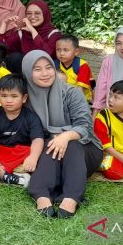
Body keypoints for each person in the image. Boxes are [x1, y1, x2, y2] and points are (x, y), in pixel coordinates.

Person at [22, 50, 103, 218]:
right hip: (47, 151)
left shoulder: (72, 93)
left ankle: (71, 197)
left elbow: (85, 126)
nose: (45, 73)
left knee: (70, 142)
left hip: (84, 151)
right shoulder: (25, 98)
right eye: (37, 69)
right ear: (28, 72)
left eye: (48, 67)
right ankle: (41, 195)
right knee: (49, 143)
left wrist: (65, 136)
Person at [0, 0, 62, 73]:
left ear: (45, 14)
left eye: (37, 13)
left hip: (46, 73)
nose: (32, 16)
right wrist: (4, 24)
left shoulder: (54, 33)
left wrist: (32, 30)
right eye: (29, 13)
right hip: (26, 74)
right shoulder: (23, 32)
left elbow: (46, 54)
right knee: (15, 57)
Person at [94, 80, 123, 180]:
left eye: (116, 97)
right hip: (113, 155)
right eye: (110, 95)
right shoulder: (103, 116)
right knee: (112, 171)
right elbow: (104, 144)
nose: (110, 100)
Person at [92, 27, 123, 115]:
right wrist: (96, 112)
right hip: (111, 112)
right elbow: (101, 89)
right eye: (118, 43)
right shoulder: (109, 61)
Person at [55, 35, 93, 103]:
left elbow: (80, 90)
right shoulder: (55, 64)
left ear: (76, 52)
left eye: (65, 50)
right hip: (61, 95)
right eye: (58, 50)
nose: (61, 53)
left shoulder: (82, 66)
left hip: (79, 99)